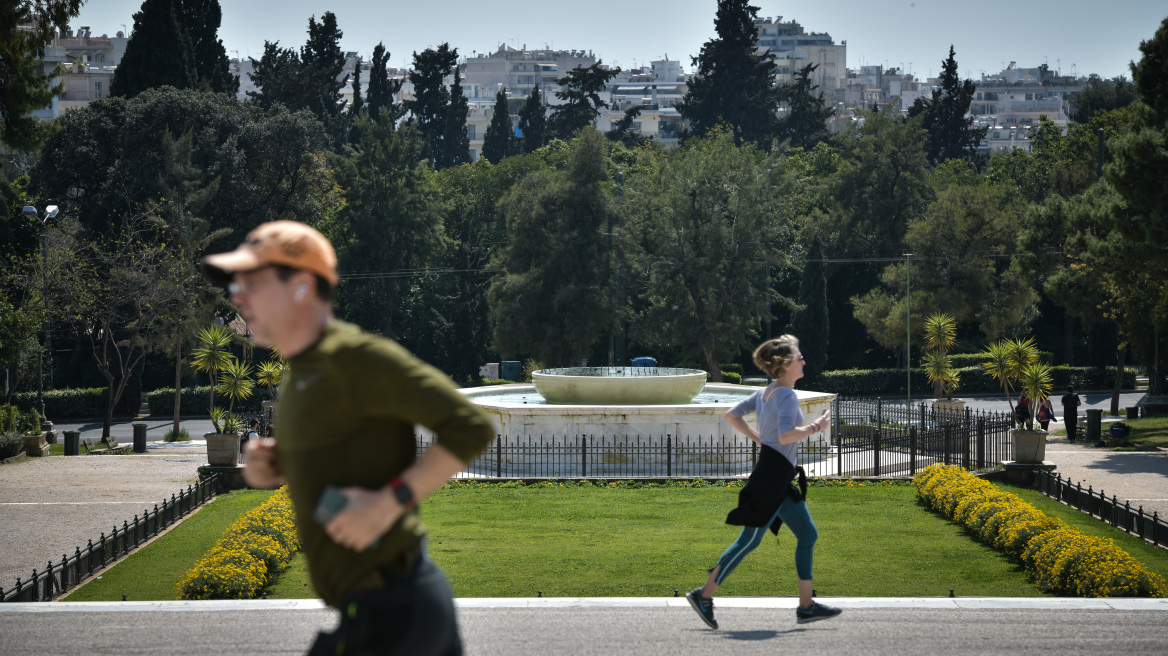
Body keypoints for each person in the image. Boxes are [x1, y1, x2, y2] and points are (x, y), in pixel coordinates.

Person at [203, 221, 495, 656]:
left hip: (397, 609)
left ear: (301, 287)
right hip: (373, 611)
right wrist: (280, 464)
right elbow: (338, 455)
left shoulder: (356, 359)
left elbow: (471, 425)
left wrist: (389, 501)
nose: (237, 297)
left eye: (252, 283)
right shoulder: (299, 371)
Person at [685, 335, 842, 628]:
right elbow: (784, 435)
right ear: (785, 365)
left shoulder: (767, 393)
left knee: (798, 535)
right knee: (753, 540)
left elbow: (733, 415)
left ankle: (806, 605)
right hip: (773, 476)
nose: (803, 361)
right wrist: (814, 427)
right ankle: (704, 595)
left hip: (774, 473)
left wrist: (760, 439)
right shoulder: (784, 395)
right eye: (799, 358)